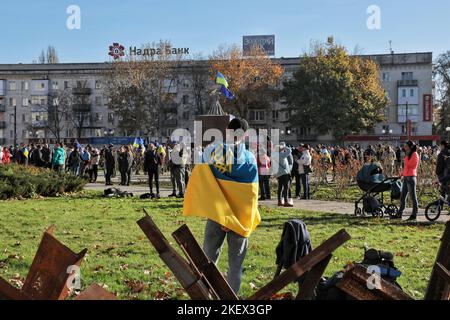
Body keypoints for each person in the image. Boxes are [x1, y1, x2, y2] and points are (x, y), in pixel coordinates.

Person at [185, 118, 259, 294]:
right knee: (236, 265)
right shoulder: (249, 158)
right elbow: (251, 194)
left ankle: (206, 295)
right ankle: (232, 300)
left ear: (227, 130)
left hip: (216, 214)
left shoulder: (213, 151)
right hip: (240, 219)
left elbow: (201, 179)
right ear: (245, 135)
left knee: (209, 260)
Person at [396, 141, 420, 221]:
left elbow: (411, 165)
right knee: (402, 197)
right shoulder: (408, 155)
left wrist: (406, 157)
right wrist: (401, 174)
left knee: (413, 197)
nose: (405, 147)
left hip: (411, 177)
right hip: (406, 177)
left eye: (406, 146)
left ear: (410, 147)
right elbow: (406, 167)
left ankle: (414, 214)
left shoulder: (415, 154)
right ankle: (399, 213)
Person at [274, 142, 293, 207]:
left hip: (278, 174)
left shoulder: (273, 156)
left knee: (280, 188)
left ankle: (279, 201)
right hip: (284, 173)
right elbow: (289, 150)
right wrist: (284, 146)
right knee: (286, 188)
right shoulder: (281, 155)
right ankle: (286, 201)